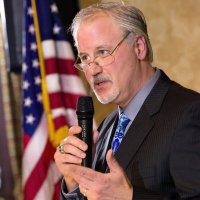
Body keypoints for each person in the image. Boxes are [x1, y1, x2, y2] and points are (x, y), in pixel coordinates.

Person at [54, 2, 200, 200]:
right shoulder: (107, 126)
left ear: (139, 48)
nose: (93, 69)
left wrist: (130, 197)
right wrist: (74, 180)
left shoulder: (190, 112)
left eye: (103, 52)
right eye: (85, 57)